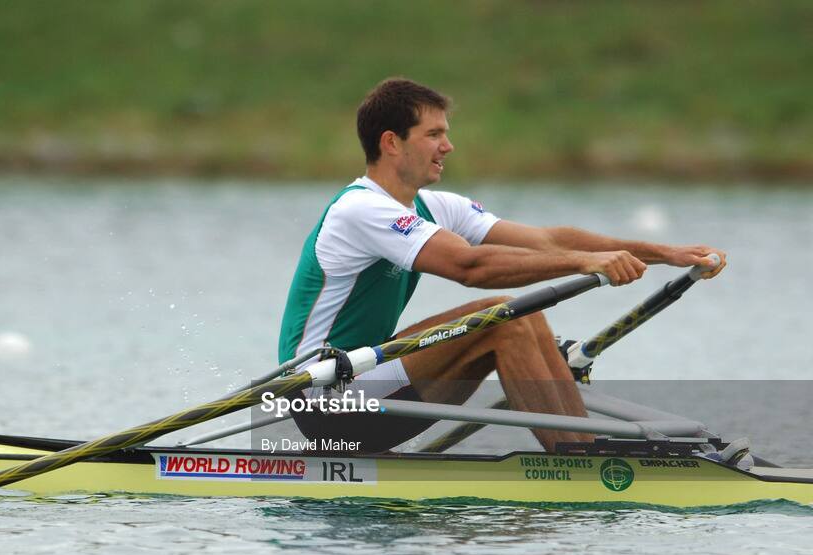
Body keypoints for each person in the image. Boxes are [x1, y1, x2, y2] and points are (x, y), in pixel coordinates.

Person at [277, 78, 726, 453]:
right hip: (324, 399)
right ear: (391, 143)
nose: (447, 146)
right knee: (504, 318)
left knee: (520, 316)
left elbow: (548, 239)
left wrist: (663, 253)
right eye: (433, 134)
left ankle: (582, 448)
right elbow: (469, 267)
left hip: (369, 381)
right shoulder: (360, 209)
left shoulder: (435, 207)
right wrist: (587, 262)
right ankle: (578, 458)